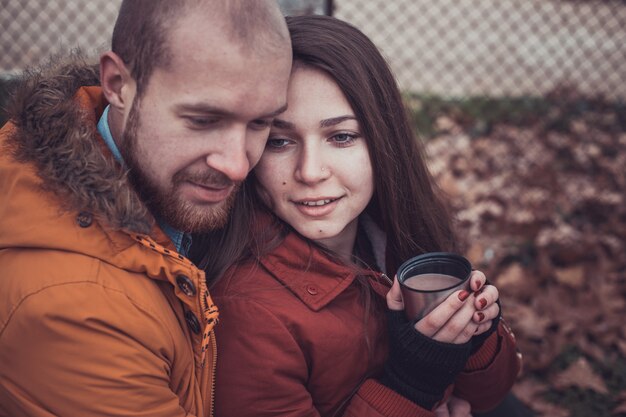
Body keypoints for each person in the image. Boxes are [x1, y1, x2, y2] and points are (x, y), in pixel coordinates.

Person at [197, 15, 522, 417]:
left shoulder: (398, 233)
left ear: (382, 139)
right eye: (279, 141)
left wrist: (475, 336)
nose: (311, 171)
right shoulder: (249, 313)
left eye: (341, 137)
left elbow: (488, 397)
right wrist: (412, 388)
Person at [0, 1, 292, 416]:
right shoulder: (73, 311)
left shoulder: (164, 182)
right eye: (203, 120)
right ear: (118, 84)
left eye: (261, 124)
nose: (238, 165)